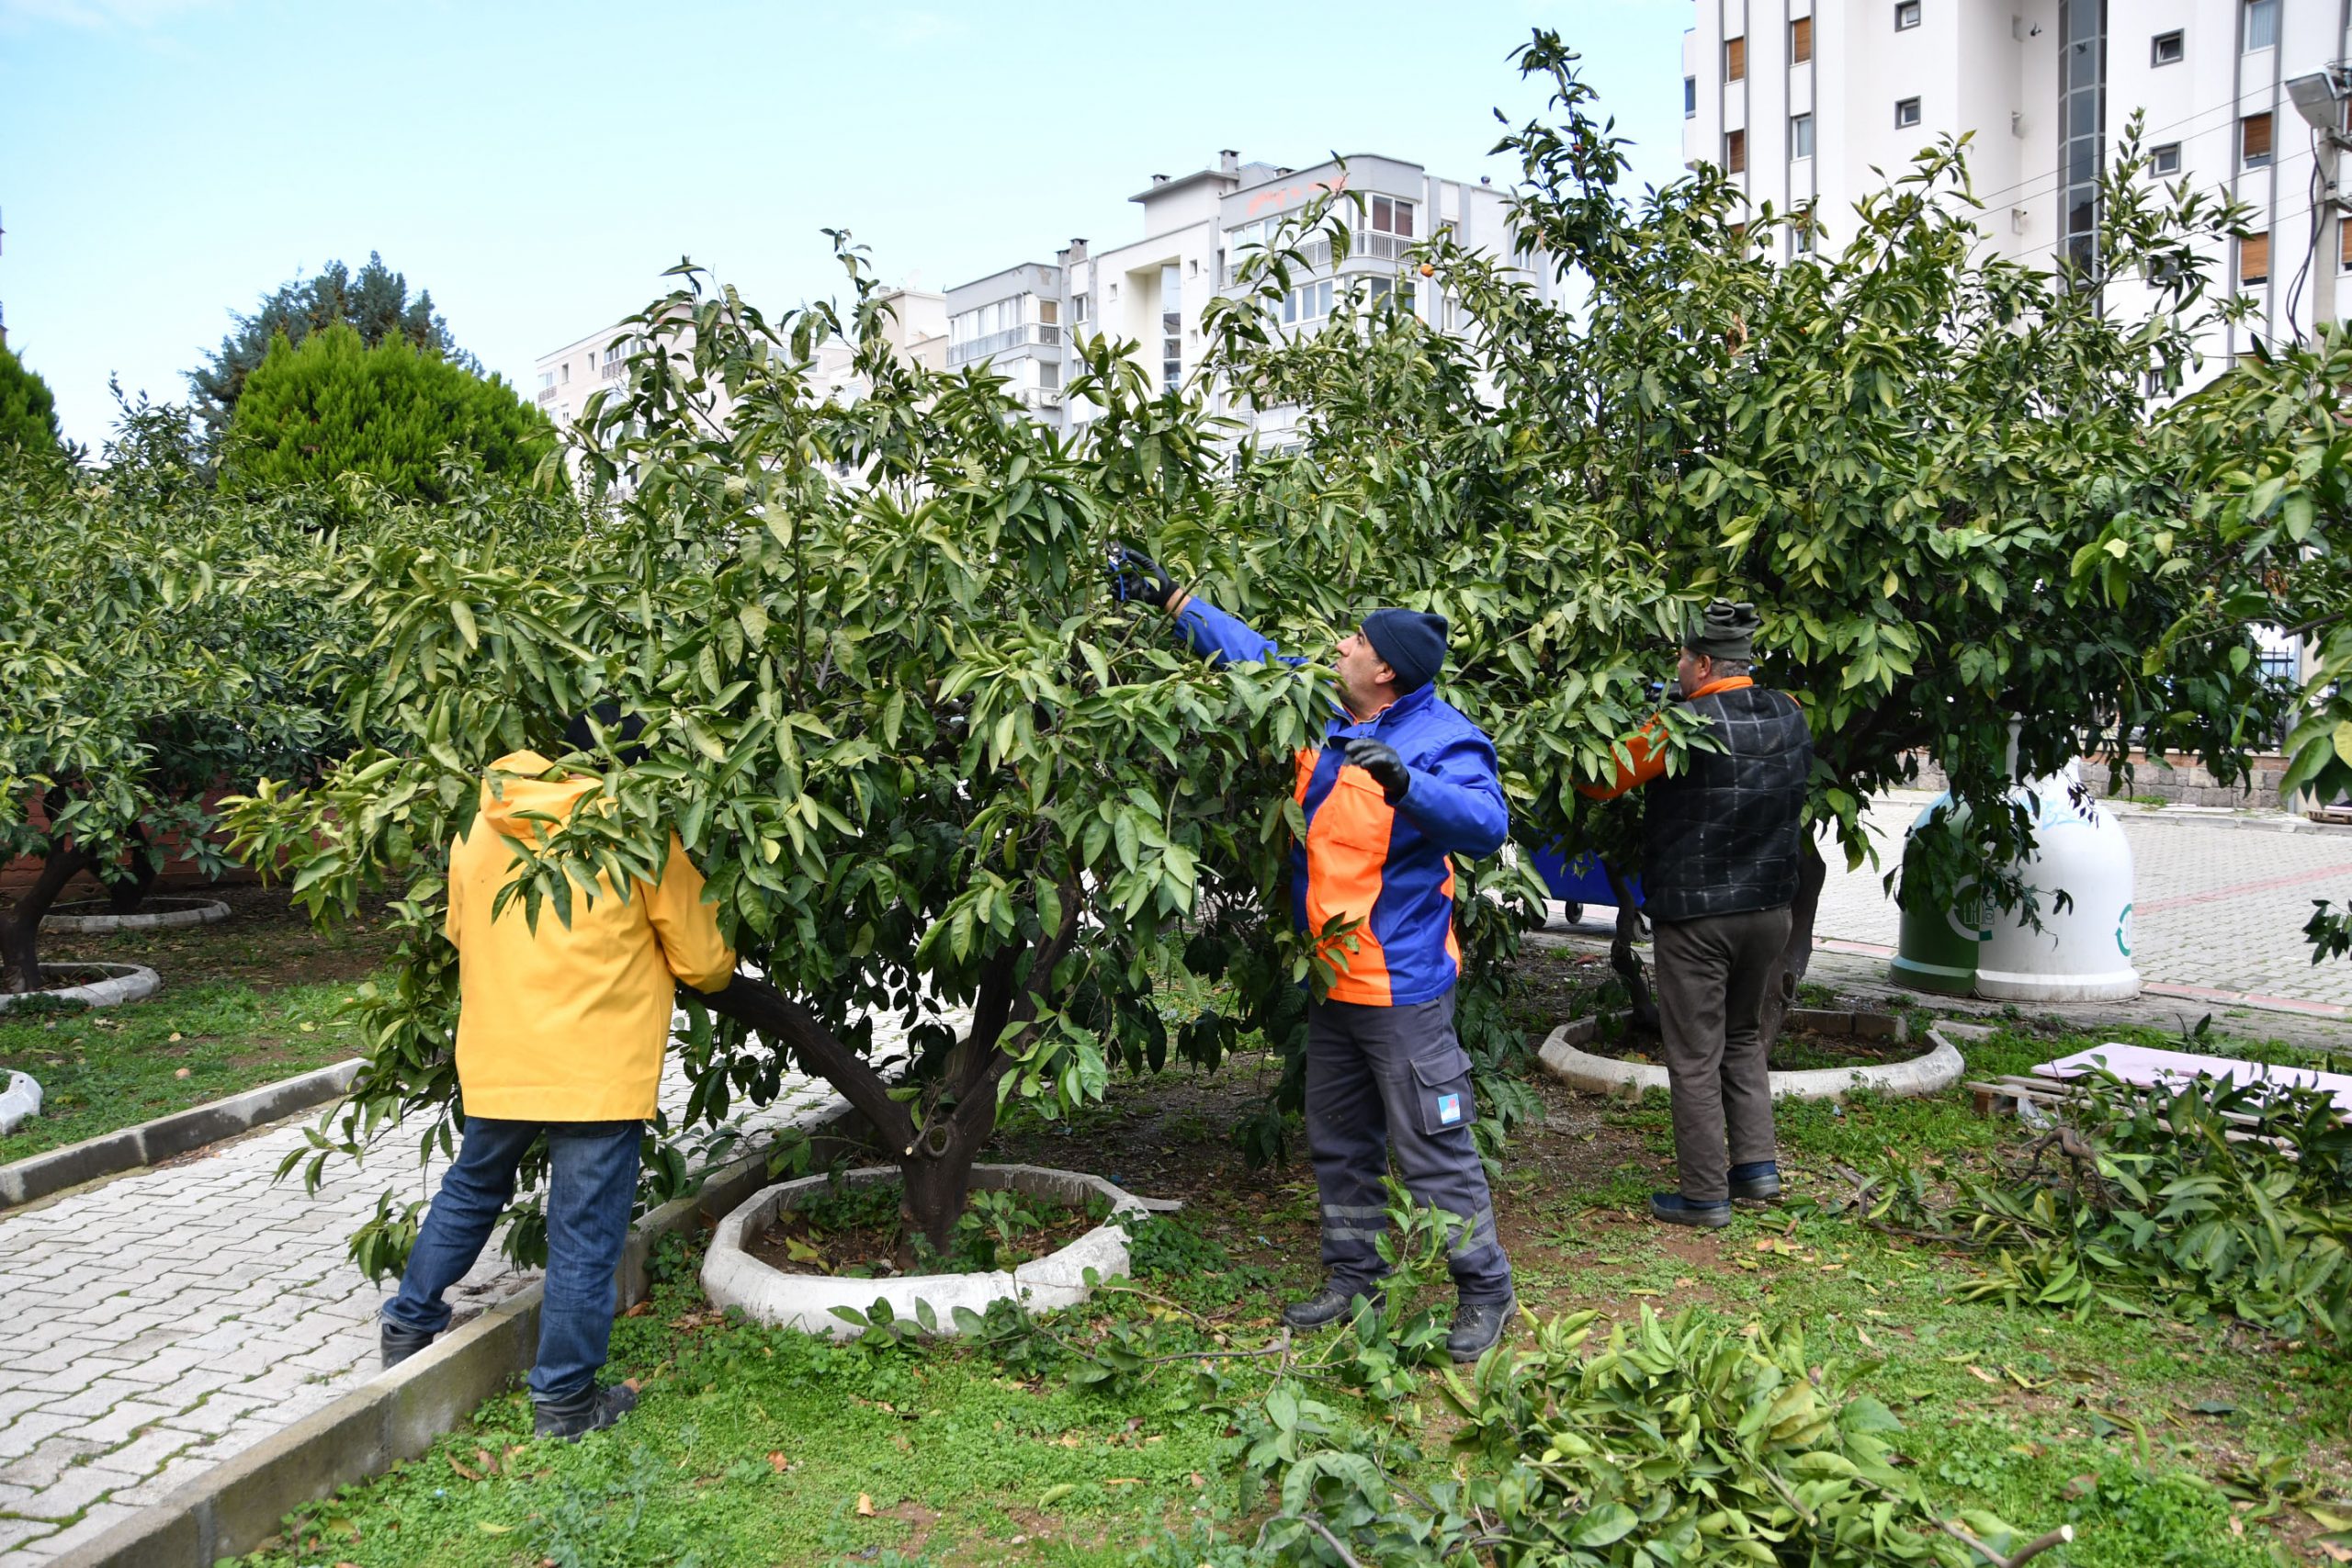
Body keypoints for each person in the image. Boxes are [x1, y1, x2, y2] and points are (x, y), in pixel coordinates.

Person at [1110, 546, 1516, 1361]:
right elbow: (1255, 654)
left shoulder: (1443, 739)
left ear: (1387, 674)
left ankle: (1484, 1289)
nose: (1340, 648)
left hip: (1401, 986)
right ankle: (1351, 1273)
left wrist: (1407, 784)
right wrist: (1175, 600)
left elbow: (1487, 824)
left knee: (1433, 1147)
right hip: (1333, 977)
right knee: (1339, 1137)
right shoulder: (1324, 706)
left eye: (1356, 643)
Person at [377, 710, 736, 1438]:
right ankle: (565, 1403)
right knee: (582, 1233)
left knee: (472, 1186)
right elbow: (706, 962)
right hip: (596, 1066)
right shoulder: (635, 831)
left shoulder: (481, 823)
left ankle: (407, 1329)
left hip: (501, 1053)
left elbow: (459, 927)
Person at [1580, 600, 1813, 1228]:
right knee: (1741, 1037)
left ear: (1704, 662)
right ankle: (1757, 1169)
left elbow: (1600, 779)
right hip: (1770, 912)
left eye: (1682, 659)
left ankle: (1705, 1195)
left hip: (1698, 918)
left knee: (1693, 1054)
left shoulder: (1679, 727)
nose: (1677, 668)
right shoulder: (1790, 714)